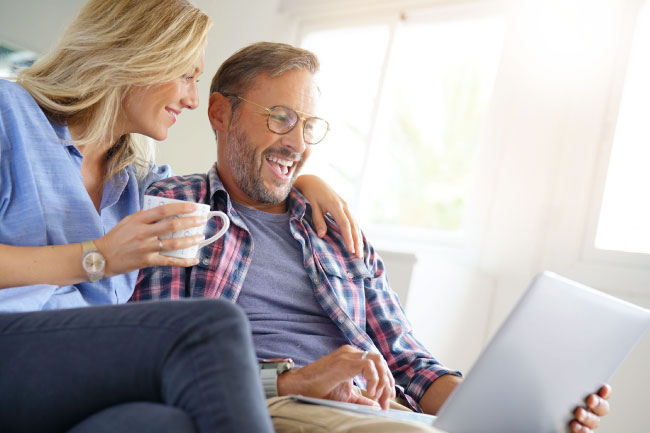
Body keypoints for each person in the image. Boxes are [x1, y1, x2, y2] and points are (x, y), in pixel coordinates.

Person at [134, 41, 611, 433]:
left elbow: (408, 363)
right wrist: (296, 380)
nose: (297, 144)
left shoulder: (335, 231)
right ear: (220, 113)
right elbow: (165, 358)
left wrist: (518, 414)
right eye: (280, 117)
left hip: (377, 412)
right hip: (272, 407)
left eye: (308, 126)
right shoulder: (180, 205)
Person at [0, 1, 362, 432]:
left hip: (82, 373)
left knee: (162, 422)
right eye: (187, 75)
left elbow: (227, 188)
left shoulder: (135, 180)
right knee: (210, 325)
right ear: (137, 56)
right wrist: (98, 256)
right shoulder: (10, 115)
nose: (193, 99)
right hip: (15, 344)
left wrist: (302, 180)